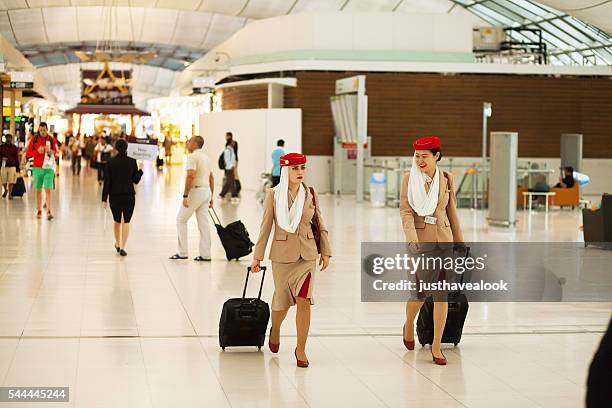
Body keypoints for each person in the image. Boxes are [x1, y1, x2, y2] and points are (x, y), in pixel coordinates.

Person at [250, 153, 332, 368]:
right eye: (295, 168)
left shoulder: (310, 193)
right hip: (282, 256)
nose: (300, 172)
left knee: (304, 299)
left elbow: (319, 222)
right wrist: (257, 257)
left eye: (302, 168)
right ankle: (275, 329)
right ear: (285, 170)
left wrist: (326, 250)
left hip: (307, 255)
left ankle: (301, 349)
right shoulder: (274, 195)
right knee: (282, 302)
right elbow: (265, 226)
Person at [400, 136, 464, 366]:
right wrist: (411, 238)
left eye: (424, 156)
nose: (419, 161)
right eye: (416, 156)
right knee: (418, 295)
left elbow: (451, 211)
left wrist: (460, 242)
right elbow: (406, 212)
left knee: (441, 296)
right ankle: (409, 325)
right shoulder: (409, 179)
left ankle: (436, 345)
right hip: (419, 243)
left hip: (443, 242)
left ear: (436, 156)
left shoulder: (446, 179)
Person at [169, 136, 214, 262]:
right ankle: (206, 254)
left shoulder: (192, 157)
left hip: (196, 191)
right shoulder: (206, 158)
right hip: (206, 191)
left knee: (181, 220)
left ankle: (182, 252)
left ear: (195, 144)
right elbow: (211, 178)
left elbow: (190, 176)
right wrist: (211, 196)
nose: (187, 143)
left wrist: (185, 195)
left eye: (189, 141)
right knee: (203, 224)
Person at [101, 139, 143, 257]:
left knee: (117, 220)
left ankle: (118, 244)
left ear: (115, 148)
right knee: (127, 221)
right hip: (129, 195)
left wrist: (104, 199)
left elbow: (107, 182)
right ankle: (123, 246)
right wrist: (141, 170)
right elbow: (136, 180)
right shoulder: (132, 161)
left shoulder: (110, 162)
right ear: (127, 148)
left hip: (115, 196)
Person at [26, 122, 57, 220]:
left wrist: (52, 152)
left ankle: (49, 211)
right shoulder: (34, 139)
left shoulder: (51, 140)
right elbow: (28, 153)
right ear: (38, 130)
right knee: (38, 190)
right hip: (37, 168)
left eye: (44, 130)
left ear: (47, 130)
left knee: (48, 190)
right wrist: (37, 152)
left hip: (49, 169)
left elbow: (56, 151)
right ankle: (39, 210)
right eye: (41, 130)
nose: (42, 132)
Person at [0, 134, 20, 200]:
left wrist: (18, 167)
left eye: (9, 138)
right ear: (5, 138)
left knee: (11, 181)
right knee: (3, 180)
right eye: (7, 138)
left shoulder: (14, 147)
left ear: (11, 139)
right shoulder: (1, 147)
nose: (8, 139)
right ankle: (5, 190)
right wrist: (2, 159)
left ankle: (10, 194)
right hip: (4, 166)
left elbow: (17, 157)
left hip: (12, 166)